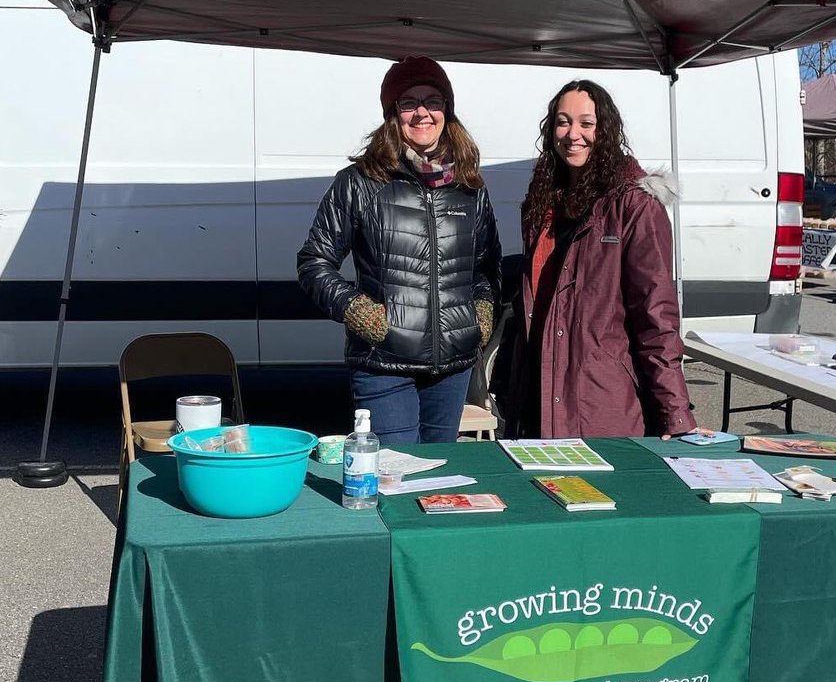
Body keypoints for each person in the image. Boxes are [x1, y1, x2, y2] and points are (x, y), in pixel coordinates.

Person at [297, 56, 501, 444]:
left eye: (433, 100)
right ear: (393, 112)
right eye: (409, 102)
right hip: (383, 363)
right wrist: (359, 311)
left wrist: (482, 312)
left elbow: (486, 266)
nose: (422, 112)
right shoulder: (359, 182)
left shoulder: (470, 185)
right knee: (396, 472)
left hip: (453, 366)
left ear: (447, 110)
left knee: (440, 475)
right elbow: (314, 262)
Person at [504, 79, 697, 440]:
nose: (573, 134)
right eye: (563, 122)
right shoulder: (543, 200)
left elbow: (656, 313)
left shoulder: (634, 205)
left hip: (599, 399)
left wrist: (675, 413)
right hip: (537, 388)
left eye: (586, 123)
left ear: (604, 129)